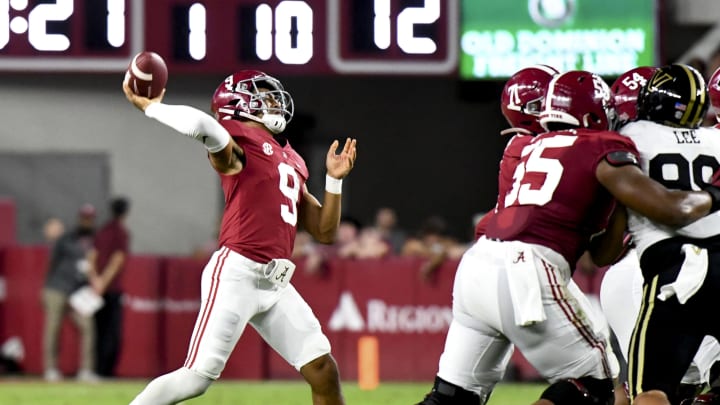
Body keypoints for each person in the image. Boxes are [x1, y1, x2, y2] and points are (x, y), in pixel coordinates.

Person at [416, 69, 720, 405]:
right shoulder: (602, 145)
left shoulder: (525, 145)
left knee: (451, 397)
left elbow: (602, 252)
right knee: (593, 384)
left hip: (477, 265)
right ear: (591, 113)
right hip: (526, 268)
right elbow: (665, 211)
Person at [122, 69, 356, 405]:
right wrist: (153, 107)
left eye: (273, 94)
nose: (273, 100)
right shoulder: (237, 142)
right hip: (238, 272)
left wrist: (334, 181)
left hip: (275, 282)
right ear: (236, 102)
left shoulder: (289, 157)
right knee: (195, 380)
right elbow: (206, 128)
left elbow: (324, 231)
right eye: (263, 93)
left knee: (323, 370)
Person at [599, 65, 720, 405]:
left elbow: (604, 249)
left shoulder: (627, 138)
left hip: (673, 269)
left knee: (649, 391)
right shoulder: (715, 137)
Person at [42, 204, 99, 382]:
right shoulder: (67, 238)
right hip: (57, 288)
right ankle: (50, 369)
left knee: (88, 327)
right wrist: (47, 287)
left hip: (77, 292)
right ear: (79, 218)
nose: (86, 221)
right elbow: (53, 263)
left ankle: (86, 370)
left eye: (89, 218)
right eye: (84, 217)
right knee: (53, 328)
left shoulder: (95, 239)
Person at [87, 197, 130, 378]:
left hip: (97, 289)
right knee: (112, 332)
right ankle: (106, 371)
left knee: (98, 330)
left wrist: (95, 281)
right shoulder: (121, 233)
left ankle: (97, 369)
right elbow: (117, 260)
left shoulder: (102, 231)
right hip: (111, 289)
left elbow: (91, 257)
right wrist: (103, 283)